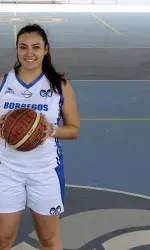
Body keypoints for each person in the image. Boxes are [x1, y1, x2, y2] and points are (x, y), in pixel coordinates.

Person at [0, 24, 80, 249]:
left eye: (36, 47)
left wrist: (50, 130)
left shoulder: (59, 85)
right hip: (7, 171)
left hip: (45, 173)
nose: (29, 53)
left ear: (46, 49)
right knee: (3, 239)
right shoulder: (3, 83)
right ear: (16, 50)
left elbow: (74, 129)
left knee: (48, 239)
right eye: (23, 47)